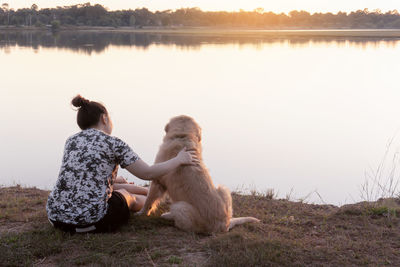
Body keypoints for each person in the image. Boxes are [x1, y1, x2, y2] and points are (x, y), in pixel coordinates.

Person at [46, 95, 198, 233]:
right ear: (104, 118)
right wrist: (178, 160)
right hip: (90, 223)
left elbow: (89, 177)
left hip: (56, 218)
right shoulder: (113, 143)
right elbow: (147, 173)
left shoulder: (71, 141)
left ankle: (149, 193)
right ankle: (157, 203)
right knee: (128, 196)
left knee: (115, 187)